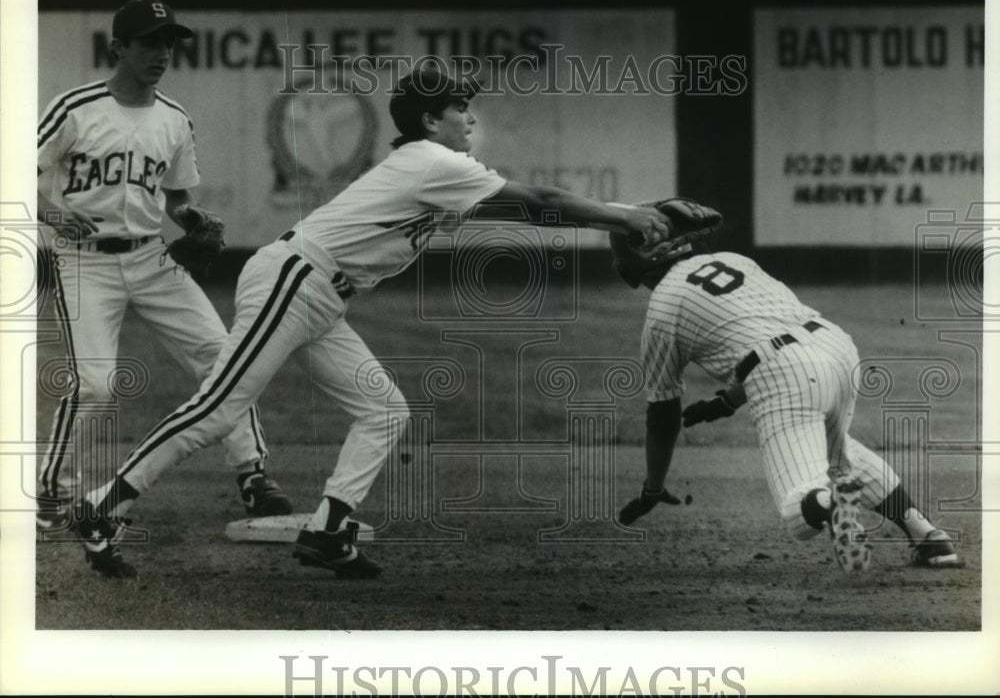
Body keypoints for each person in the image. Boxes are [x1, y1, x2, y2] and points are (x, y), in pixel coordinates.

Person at [71, 65, 676, 578]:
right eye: (457, 106)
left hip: (321, 293)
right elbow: (540, 204)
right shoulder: (433, 161)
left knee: (384, 409)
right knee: (220, 407)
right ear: (429, 121)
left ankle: (330, 529)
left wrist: (633, 214)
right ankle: (104, 504)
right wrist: (626, 220)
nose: (469, 116)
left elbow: (530, 210)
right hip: (296, 276)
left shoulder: (434, 166)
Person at [36, 0, 292, 532]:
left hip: (152, 256)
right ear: (119, 48)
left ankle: (252, 474)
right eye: (150, 42)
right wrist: (53, 214)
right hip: (84, 262)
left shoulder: (174, 119)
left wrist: (190, 216)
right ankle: (53, 493)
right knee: (96, 385)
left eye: (168, 43)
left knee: (226, 358)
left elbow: (176, 198)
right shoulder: (75, 108)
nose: (162, 53)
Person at [610, 203, 960, 574]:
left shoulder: (662, 312)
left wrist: (653, 487)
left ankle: (837, 508)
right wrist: (728, 402)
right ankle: (929, 536)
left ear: (632, 263)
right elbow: (775, 335)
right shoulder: (734, 260)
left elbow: (662, 419)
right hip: (836, 347)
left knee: (799, 512)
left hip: (784, 374)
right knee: (835, 455)